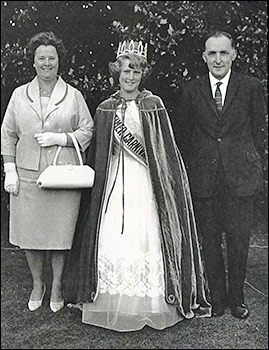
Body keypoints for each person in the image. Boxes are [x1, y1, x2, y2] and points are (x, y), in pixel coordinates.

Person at [66, 39, 211, 332]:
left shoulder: (153, 104)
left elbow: (164, 151)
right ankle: (110, 298)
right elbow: (100, 152)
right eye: (125, 72)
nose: (130, 77)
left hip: (147, 181)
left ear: (142, 74)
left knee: (147, 236)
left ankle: (152, 302)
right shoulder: (106, 109)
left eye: (136, 72)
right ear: (117, 73)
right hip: (116, 182)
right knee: (112, 235)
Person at [1, 31, 93, 313]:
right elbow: (8, 134)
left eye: (51, 58)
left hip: (62, 177)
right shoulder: (19, 95)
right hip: (28, 177)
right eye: (41, 58)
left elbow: (87, 129)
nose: (46, 63)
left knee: (59, 235)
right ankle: (37, 284)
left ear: (58, 61)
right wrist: (10, 170)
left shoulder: (73, 95)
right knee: (29, 235)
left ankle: (56, 286)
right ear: (33, 61)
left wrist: (61, 138)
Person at [177, 31, 266, 319]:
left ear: (233, 54)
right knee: (211, 240)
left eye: (223, 53)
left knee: (239, 240)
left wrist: (249, 162)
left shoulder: (250, 87)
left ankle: (237, 298)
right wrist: (197, 166)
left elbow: (258, 132)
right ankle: (216, 297)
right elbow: (184, 135)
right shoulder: (191, 90)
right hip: (205, 177)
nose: (218, 59)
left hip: (240, 177)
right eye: (212, 53)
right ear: (204, 56)